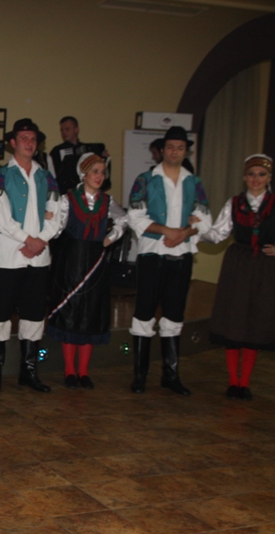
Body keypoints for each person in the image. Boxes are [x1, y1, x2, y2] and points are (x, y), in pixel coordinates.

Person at [127, 125, 211, 395]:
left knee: (174, 314)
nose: (175, 152)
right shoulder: (146, 179)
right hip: (152, 254)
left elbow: (205, 219)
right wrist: (166, 231)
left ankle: (171, 375)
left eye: (180, 148)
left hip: (181, 255)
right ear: (162, 150)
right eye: (171, 147)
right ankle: (140, 375)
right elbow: (135, 216)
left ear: (186, 151)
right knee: (144, 312)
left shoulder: (194, 182)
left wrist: (184, 233)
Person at [0, 118, 62, 394]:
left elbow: (57, 212)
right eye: (24, 138)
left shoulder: (46, 177)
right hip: (7, 257)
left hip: (38, 258)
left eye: (33, 139)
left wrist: (41, 241)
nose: (29, 143)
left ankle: (29, 372)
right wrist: (29, 240)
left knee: (34, 315)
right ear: (13, 143)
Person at [47, 153, 127, 389]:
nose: (99, 176)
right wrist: (48, 219)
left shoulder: (107, 201)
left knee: (90, 312)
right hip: (72, 260)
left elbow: (123, 220)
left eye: (102, 172)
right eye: (95, 172)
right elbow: (57, 229)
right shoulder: (67, 200)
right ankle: (69, 370)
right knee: (71, 312)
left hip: (95, 261)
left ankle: (84, 371)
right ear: (84, 174)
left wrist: (109, 239)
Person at [199, 154, 275, 401]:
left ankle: (245, 382)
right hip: (239, 265)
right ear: (244, 177)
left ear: (269, 178)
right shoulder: (234, 204)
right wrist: (198, 228)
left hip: (264, 266)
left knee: (255, 320)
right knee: (234, 318)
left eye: (261, 174)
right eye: (251, 174)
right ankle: (233, 381)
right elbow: (217, 235)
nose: (256, 179)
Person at [50, 116, 110, 194]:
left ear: (76, 130)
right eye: (62, 130)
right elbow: (55, 176)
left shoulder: (90, 149)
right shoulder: (57, 151)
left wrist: (105, 159)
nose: (64, 132)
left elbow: (102, 172)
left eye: (67, 129)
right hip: (67, 193)